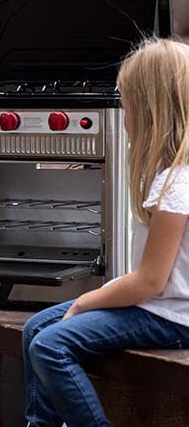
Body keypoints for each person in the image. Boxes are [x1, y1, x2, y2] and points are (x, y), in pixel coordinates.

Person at [23, 38, 189, 427]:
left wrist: (84, 303)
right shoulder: (173, 176)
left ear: (151, 111)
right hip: (158, 307)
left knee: (50, 345)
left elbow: (149, 281)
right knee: (36, 328)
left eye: (127, 103)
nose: (124, 114)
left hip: (172, 317)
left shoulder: (177, 185)